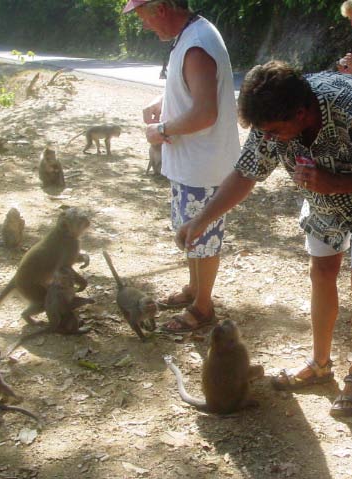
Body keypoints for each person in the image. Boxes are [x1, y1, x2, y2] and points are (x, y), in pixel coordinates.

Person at [176, 61, 352, 417]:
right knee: (321, 272)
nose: (269, 138)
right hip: (322, 198)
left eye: (274, 131)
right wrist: (200, 220)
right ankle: (320, 365)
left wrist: (337, 184)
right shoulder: (270, 121)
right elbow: (246, 173)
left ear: (301, 113)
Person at [122, 0, 240, 332]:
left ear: (160, 8)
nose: (144, 25)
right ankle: (194, 289)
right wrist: (163, 102)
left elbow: (205, 113)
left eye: (143, 17)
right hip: (193, 163)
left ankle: (203, 307)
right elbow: (193, 90)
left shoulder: (197, 45)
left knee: (203, 238)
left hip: (203, 166)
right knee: (191, 234)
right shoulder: (190, 36)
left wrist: (161, 130)